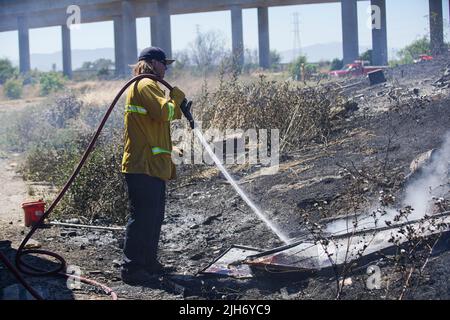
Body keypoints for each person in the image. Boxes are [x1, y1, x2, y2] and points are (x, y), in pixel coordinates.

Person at [120, 47, 191, 284]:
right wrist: (177, 98)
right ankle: (132, 270)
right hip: (142, 167)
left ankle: (148, 263)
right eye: (164, 63)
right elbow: (164, 112)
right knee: (142, 219)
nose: (166, 68)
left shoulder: (146, 86)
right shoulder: (145, 85)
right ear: (151, 63)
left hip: (151, 165)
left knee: (153, 218)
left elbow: (155, 125)